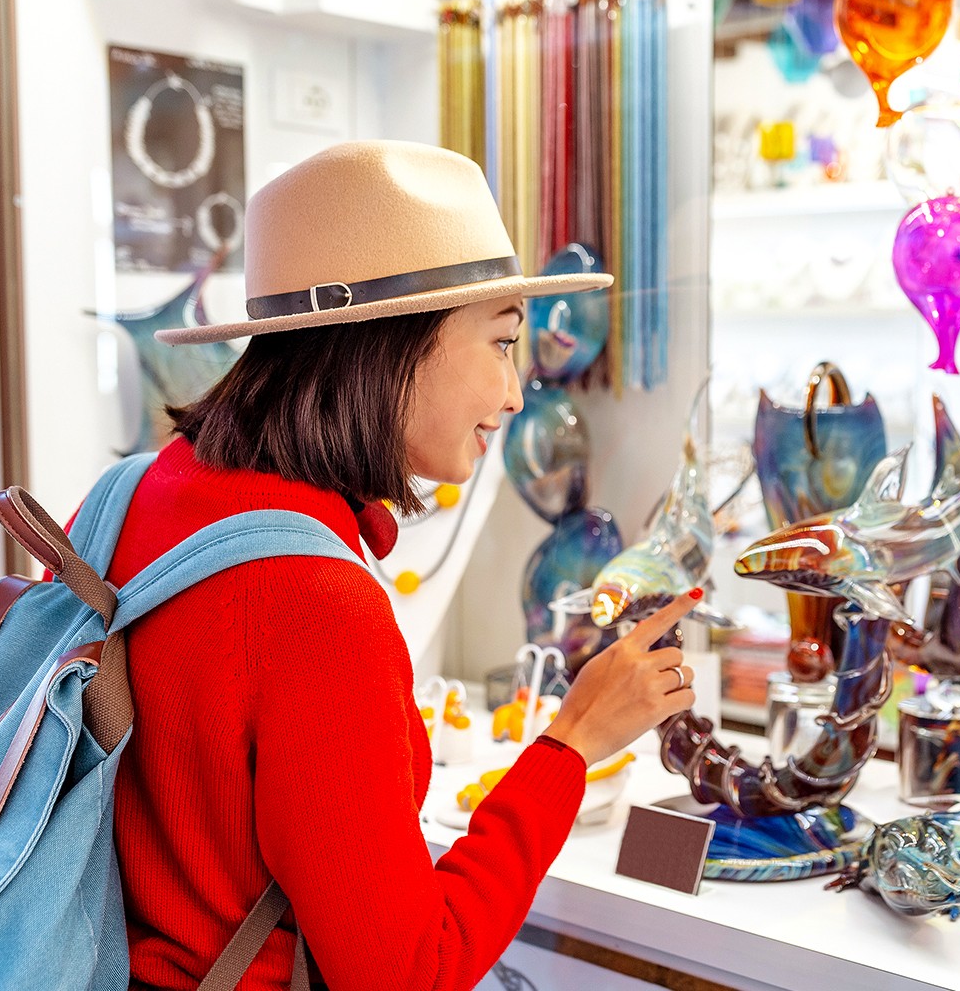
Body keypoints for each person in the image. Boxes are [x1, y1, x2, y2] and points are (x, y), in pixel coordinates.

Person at [107, 140, 698, 989]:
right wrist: (573, 742)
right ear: (394, 346)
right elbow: (410, 972)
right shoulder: (315, 600)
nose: (513, 392)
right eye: (500, 344)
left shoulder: (145, 491)